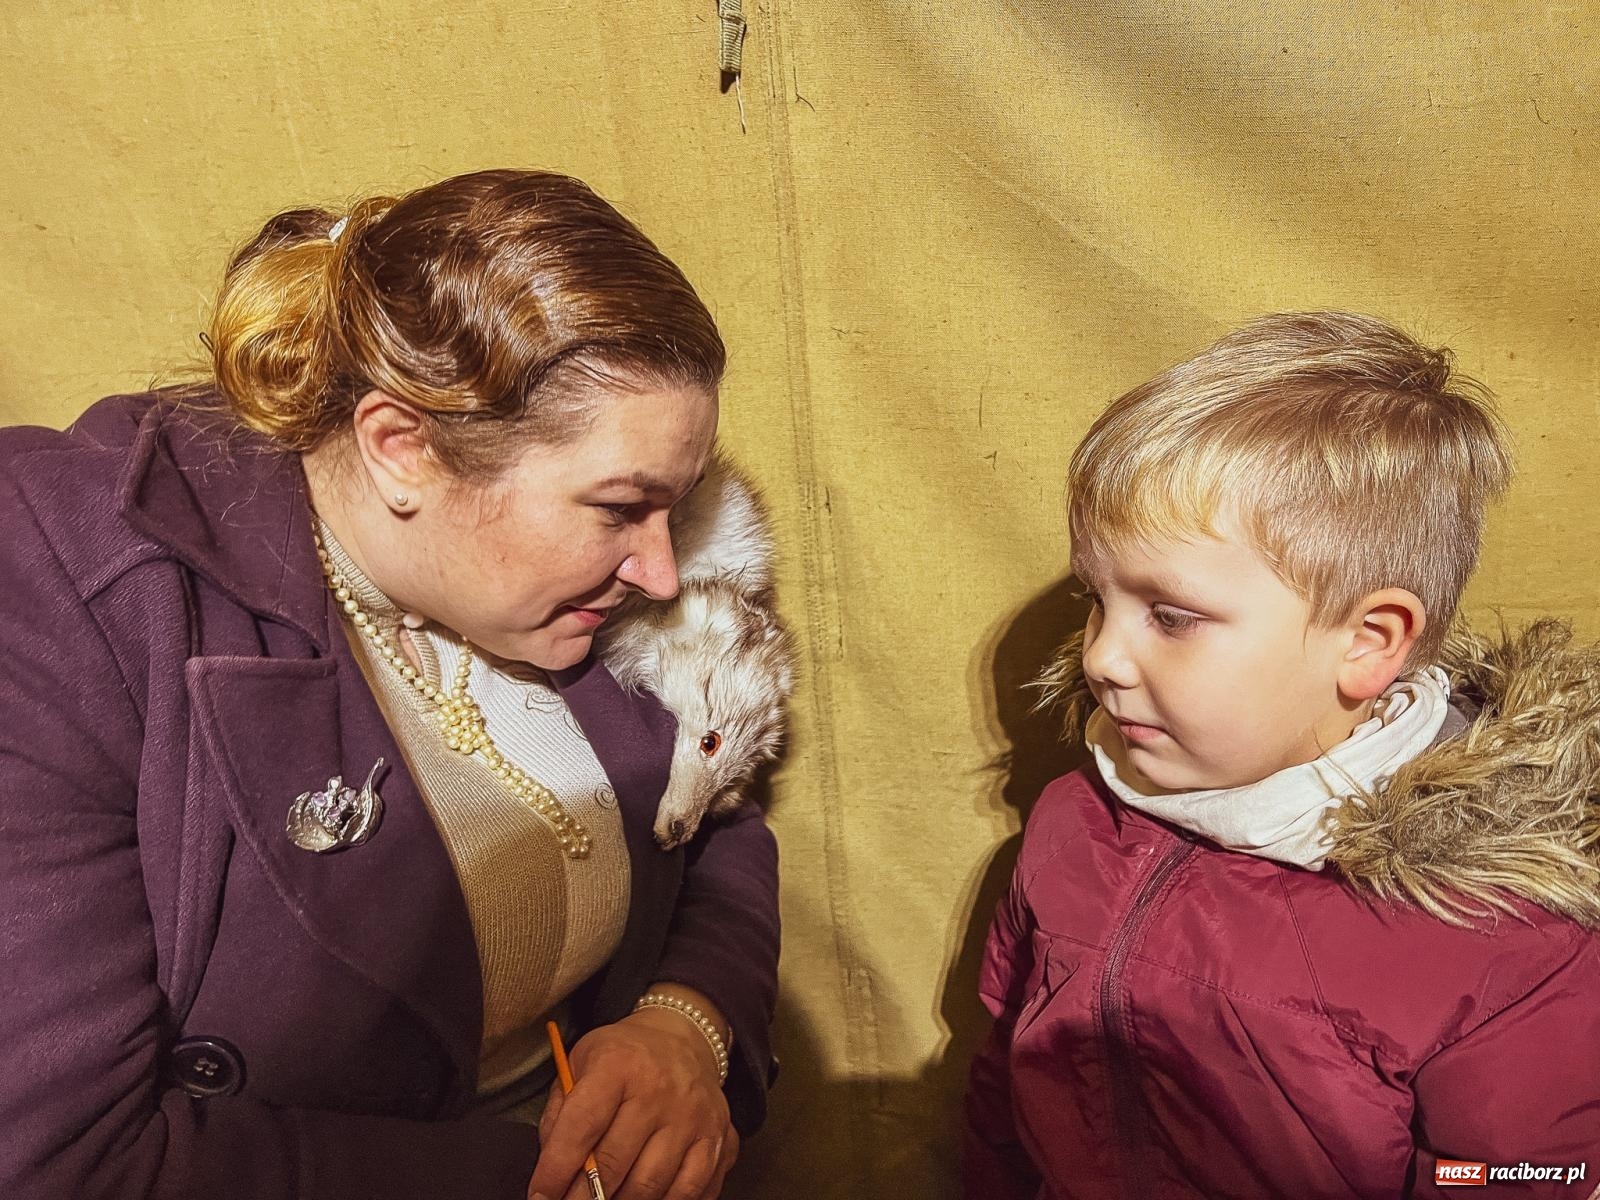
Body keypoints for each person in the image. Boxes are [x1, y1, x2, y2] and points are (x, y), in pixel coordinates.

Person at [0, 169, 779, 1200]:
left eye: (670, 508)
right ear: (401, 448)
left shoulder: (589, 569)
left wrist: (685, 1021)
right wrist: (568, 1182)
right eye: (617, 510)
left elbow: (711, 818)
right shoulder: (60, 587)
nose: (662, 572)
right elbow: (66, 1162)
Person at [963, 312, 1600, 1198]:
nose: (1102, 657)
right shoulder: (1074, 820)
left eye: (1171, 616)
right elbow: (1006, 1074)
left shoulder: (1501, 933)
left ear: (1368, 642)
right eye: (1096, 600)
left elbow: (1518, 1176)